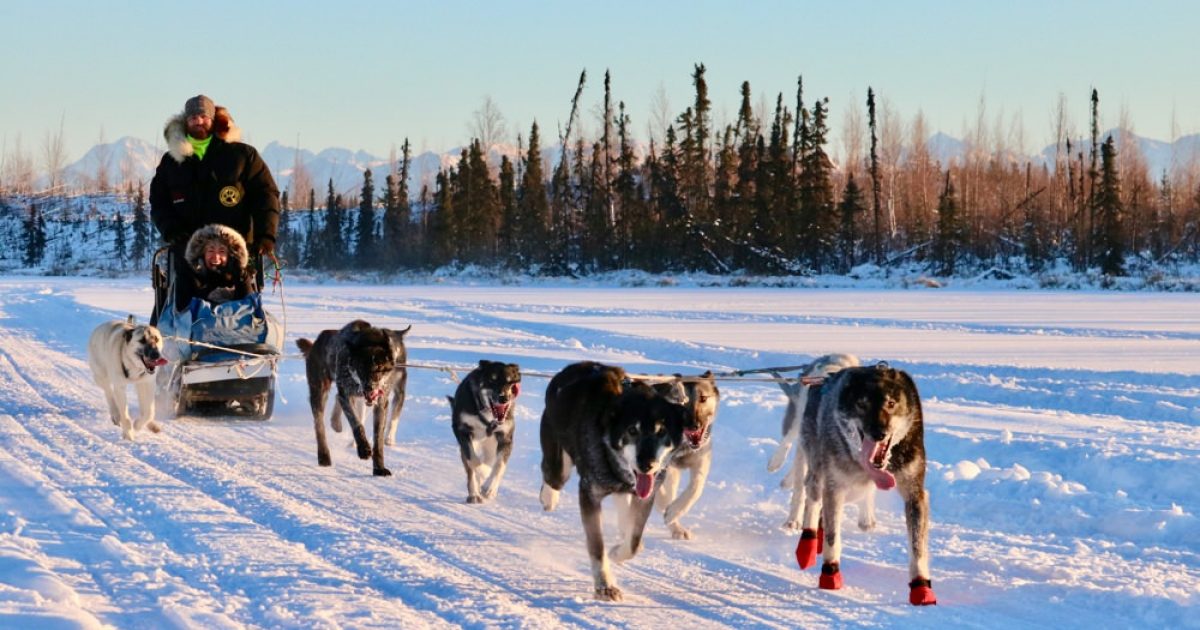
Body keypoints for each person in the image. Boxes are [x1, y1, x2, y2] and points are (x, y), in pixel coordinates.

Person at [149, 95, 279, 320]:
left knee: (242, 299)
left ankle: (246, 333)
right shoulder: (171, 162)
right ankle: (181, 334)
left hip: (236, 248)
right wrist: (171, 230)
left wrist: (266, 235)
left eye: (203, 117)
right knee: (183, 299)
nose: (198, 122)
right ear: (185, 122)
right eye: (193, 118)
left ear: (214, 120)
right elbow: (159, 202)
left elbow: (266, 196)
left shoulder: (242, 155)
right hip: (187, 247)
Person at [174, 224, 257, 311]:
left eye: (222, 251)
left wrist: (242, 277)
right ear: (202, 254)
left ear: (230, 255)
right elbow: (183, 309)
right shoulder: (191, 275)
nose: (216, 257)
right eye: (211, 250)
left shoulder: (240, 276)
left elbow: (249, 308)